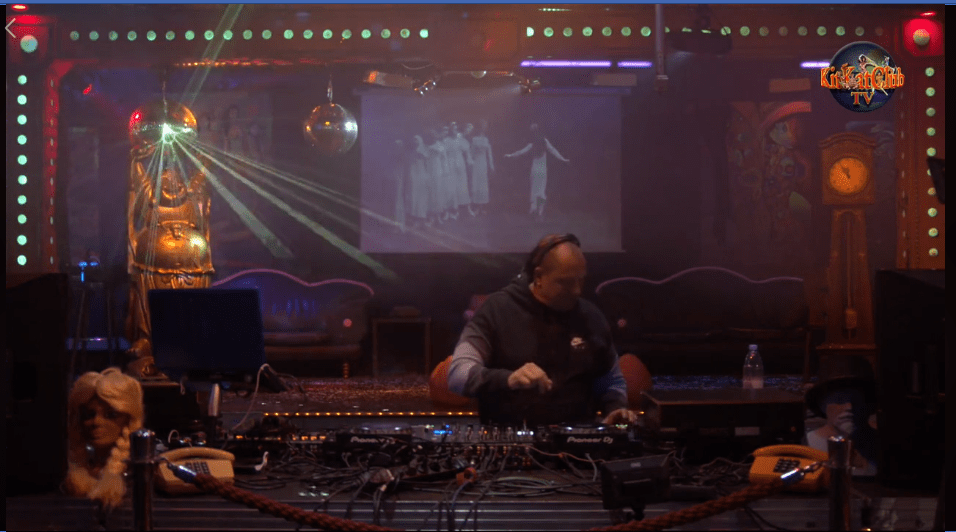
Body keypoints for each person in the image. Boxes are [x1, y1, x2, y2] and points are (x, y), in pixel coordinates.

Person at [447, 233, 635, 426]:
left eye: (581, 281)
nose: (577, 291)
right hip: (511, 435)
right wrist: (508, 379)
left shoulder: (591, 317)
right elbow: (458, 375)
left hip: (577, 438)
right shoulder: (496, 311)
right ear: (538, 276)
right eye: (566, 282)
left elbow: (611, 381)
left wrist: (616, 408)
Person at [63, 368, 145, 510]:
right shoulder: (63, 473)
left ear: (128, 419)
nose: (96, 422)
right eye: (89, 414)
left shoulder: (141, 473)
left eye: (110, 415)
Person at [804, 359, 879, 476]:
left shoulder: (883, 445)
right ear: (822, 404)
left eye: (857, 400)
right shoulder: (806, 445)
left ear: (870, 405)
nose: (849, 407)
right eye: (839, 400)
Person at [504, 123, 570, 221]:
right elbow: (553, 150)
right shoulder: (543, 141)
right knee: (541, 190)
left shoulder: (533, 144)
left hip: (536, 170)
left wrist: (510, 155)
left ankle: (534, 211)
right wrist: (563, 159)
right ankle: (539, 212)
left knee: (535, 190)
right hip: (542, 170)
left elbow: (521, 152)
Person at [468, 120, 494, 216]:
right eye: (483, 125)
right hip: (476, 164)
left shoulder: (486, 139)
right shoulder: (474, 139)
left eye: (485, 126)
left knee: (483, 184)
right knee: (476, 184)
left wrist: (491, 165)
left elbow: (489, 153)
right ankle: (475, 207)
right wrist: (471, 164)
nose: (484, 127)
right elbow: (471, 153)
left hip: (483, 164)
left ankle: (481, 207)